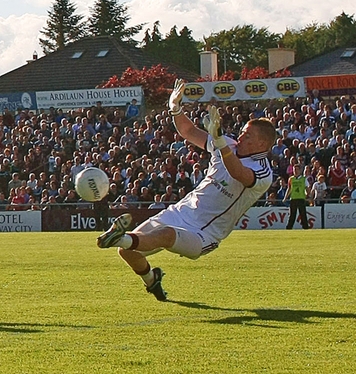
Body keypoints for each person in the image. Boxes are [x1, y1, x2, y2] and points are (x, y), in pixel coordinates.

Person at [96, 80, 277, 301]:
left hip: (205, 232)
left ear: (262, 145)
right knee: (127, 251)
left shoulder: (263, 171)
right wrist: (174, 107)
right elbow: (188, 130)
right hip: (180, 211)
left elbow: (238, 173)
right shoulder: (227, 144)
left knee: (165, 235)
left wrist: (219, 141)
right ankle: (152, 279)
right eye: (242, 132)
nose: (241, 136)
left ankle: (120, 237)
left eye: (248, 135)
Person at [284, 164, 311, 229]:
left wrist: (308, 195)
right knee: (292, 215)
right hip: (293, 198)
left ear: (300, 170)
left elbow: (307, 188)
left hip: (301, 198)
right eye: (294, 170)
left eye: (297, 169)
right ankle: (289, 227)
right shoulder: (291, 179)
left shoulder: (304, 179)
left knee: (303, 214)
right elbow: (289, 188)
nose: (295, 171)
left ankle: (305, 227)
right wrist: (285, 197)